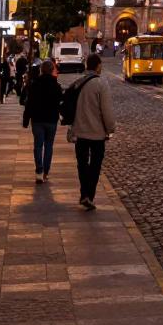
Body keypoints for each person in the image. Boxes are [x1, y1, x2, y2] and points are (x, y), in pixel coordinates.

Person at [71, 52, 116, 210]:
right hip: (97, 134)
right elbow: (107, 110)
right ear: (98, 66)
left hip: (80, 132)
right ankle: (89, 195)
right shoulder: (101, 84)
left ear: (86, 66)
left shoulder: (78, 82)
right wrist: (110, 128)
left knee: (82, 164)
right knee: (95, 165)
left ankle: (84, 194)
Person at [23, 58, 62, 183]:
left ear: (41, 70)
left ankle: (38, 171)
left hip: (37, 119)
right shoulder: (56, 86)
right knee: (49, 145)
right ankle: (46, 171)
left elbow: (29, 103)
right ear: (52, 71)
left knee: (38, 145)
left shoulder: (35, 85)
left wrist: (26, 119)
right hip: (51, 120)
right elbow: (60, 102)